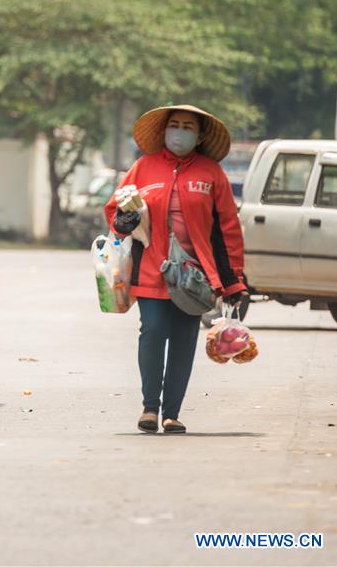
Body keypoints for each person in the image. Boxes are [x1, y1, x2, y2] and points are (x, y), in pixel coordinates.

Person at [104, 105, 247, 434]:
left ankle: (172, 413)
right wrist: (122, 219)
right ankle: (149, 407)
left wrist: (234, 280)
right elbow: (115, 209)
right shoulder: (143, 167)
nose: (179, 131)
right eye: (174, 125)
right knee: (152, 331)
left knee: (184, 340)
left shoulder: (212, 174)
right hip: (150, 269)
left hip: (196, 276)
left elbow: (228, 228)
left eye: (187, 127)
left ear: (199, 137)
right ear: (164, 131)